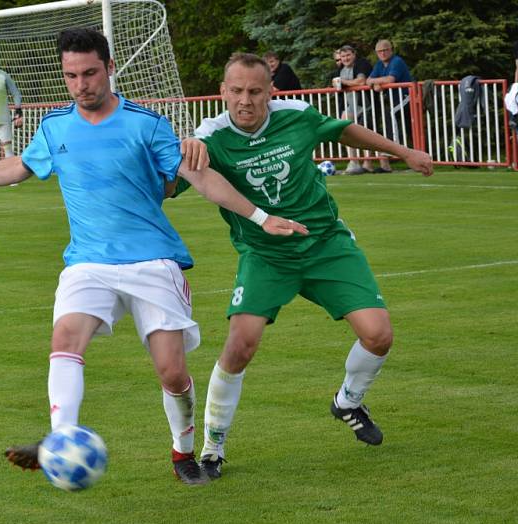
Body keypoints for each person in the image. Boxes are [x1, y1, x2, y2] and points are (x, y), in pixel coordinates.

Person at [0, 29, 304, 486]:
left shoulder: (147, 124)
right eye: (71, 76)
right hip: (88, 261)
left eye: (89, 73)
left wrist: (261, 218)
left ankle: (183, 452)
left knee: (173, 372)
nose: (81, 84)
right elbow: (19, 166)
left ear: (109, 69)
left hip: (152, 260)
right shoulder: (55, 127)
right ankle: (59, 439)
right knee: (64, 336)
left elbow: (200, 178)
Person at [175, 53, 432, 479]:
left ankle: (348, 401)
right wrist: (173, 155)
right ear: (222, 92)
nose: (245, 100)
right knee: (240, 345)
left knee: (379, 335)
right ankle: (212, 448)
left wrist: (403, 151)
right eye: (236, 91)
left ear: (271, 91)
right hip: (265, 255)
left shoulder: (296, 116)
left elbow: (345, 131)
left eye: (255, 91)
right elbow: (173, 184)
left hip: (326, 243)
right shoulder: (210, 138)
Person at [365, 39, 414, 173]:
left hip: (405, 97)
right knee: (381, 119)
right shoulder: (379, 65)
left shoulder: (397, 61)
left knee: (392, 116)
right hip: (392, 100)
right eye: (379, 51)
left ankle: (395, 151)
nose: (382, 53)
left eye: (385, 50)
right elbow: (368, 80)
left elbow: (390, 79)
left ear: (391, 50)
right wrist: (377, 83)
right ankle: (386, 159)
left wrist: (377, 83)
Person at [332, 45, 373, 174]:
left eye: (348, 55)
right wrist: (337, 83)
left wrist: (343, 82)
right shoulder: (340, 70)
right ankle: (353, 161)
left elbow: (361, 81)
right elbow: (336, 85)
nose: (345, 58)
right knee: (346, 127)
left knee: (366, 132)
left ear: (354, 54)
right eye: (343, 56)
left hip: (366, 104)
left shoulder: (361, 64)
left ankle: (368, 162)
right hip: (350, 105)